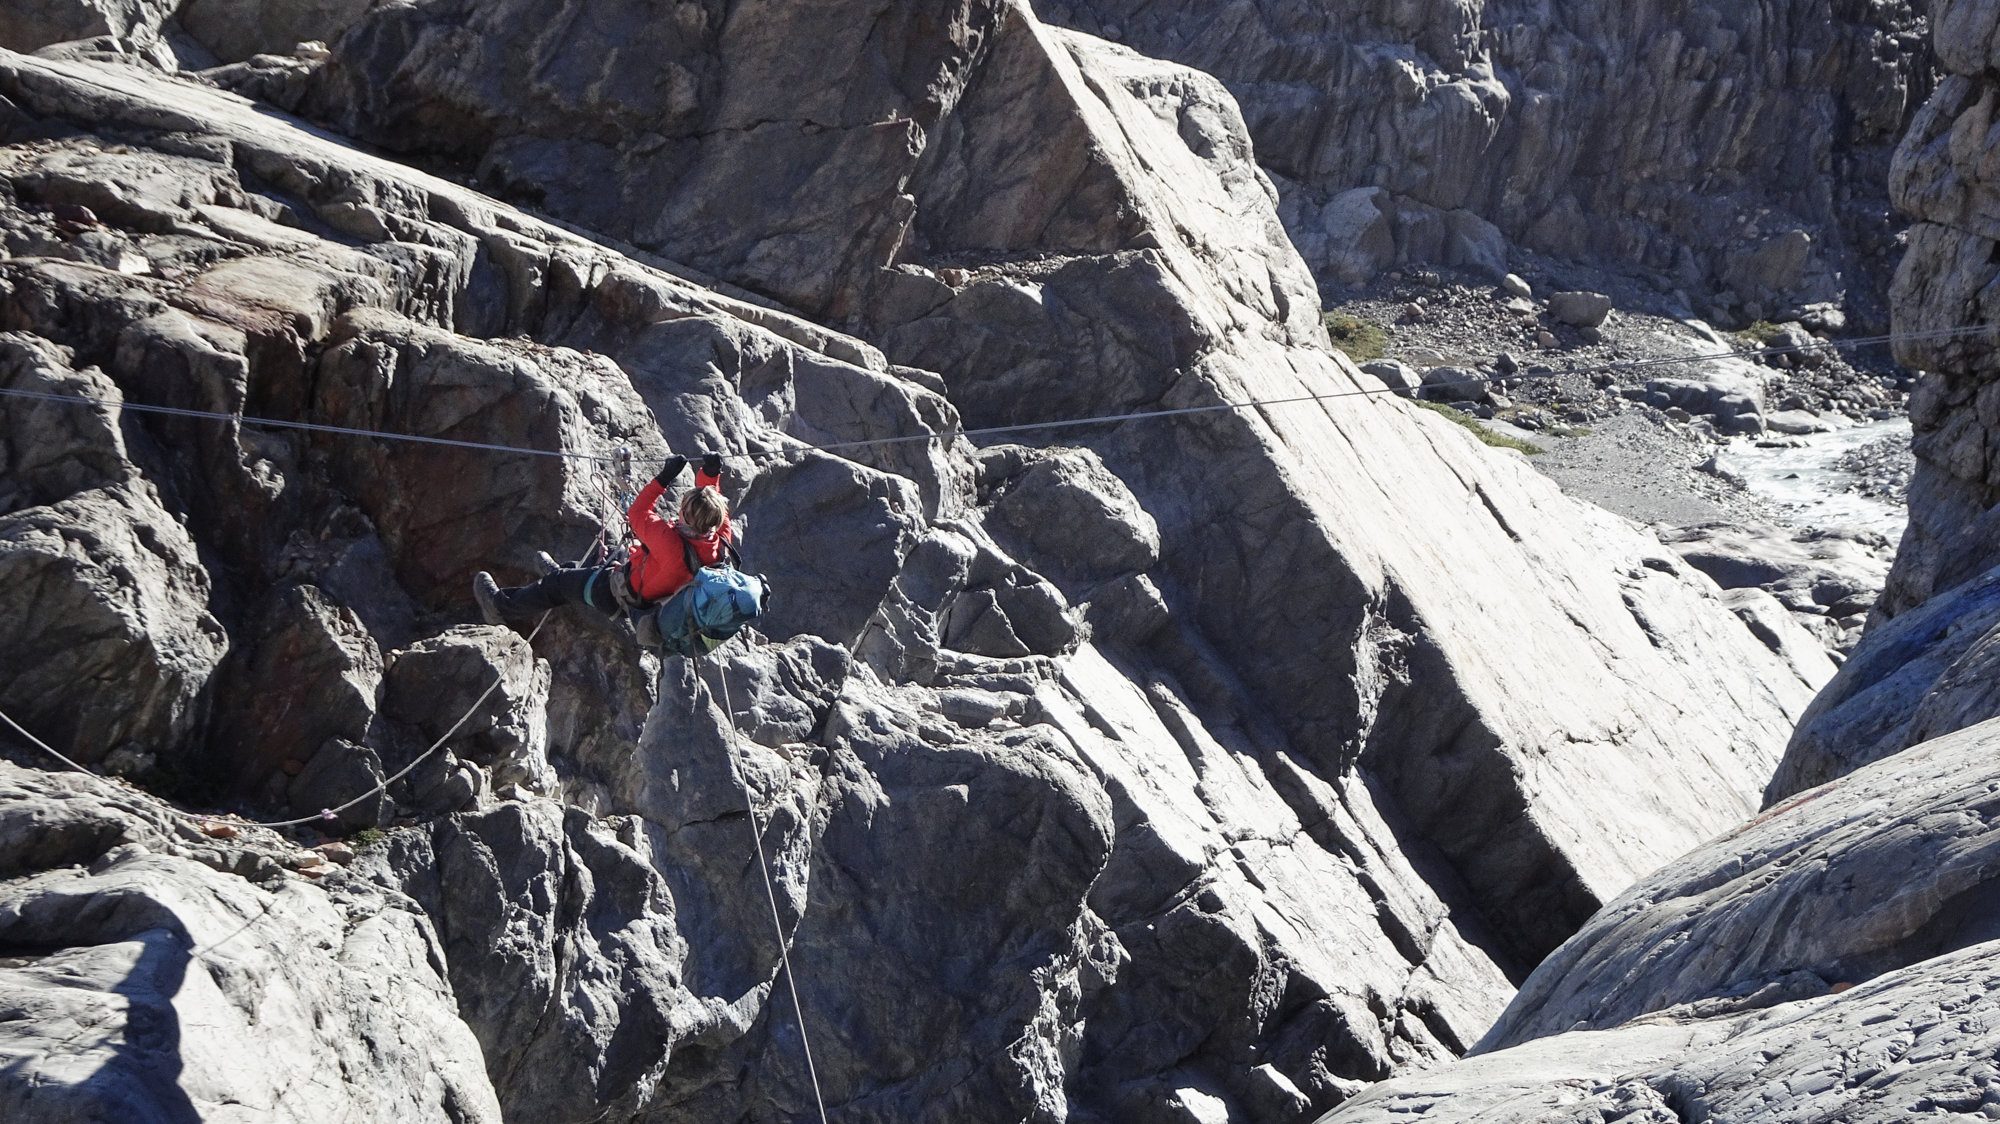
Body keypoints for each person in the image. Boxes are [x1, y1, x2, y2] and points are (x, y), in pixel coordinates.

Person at [473, 452, 734, 629]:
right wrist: (710, 475)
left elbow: (638, 513)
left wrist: (663, 479)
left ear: (686, 515)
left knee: (556, 585)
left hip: (619, 594)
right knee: (605, 556)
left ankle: (501, 609)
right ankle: (568, 575)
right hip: (652, 589)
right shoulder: (721, 542)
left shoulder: (669, 544)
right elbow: (713, 506)